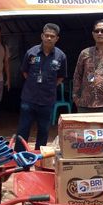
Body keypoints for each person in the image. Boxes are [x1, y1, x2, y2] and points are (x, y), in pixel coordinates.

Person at [15, 23, 67, 152]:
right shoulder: (31, 53)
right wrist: (34, 83)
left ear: (57, 39)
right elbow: (24, 71)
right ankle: (18, 155)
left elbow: (61, 76)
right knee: (23, 129)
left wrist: (48, 85)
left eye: (52, 36)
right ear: (42, 36)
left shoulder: (61, 56)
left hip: (47, 100)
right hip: (29, 98)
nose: (49, 38)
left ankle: (39, 157)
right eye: (47, 35)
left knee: (43, 130)